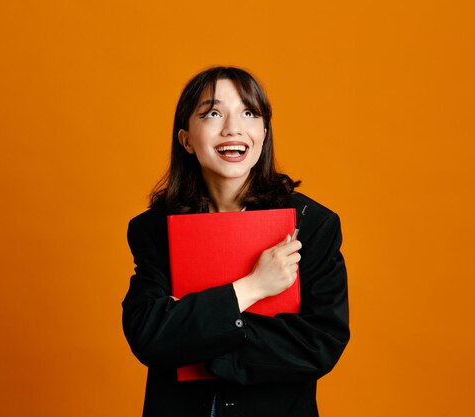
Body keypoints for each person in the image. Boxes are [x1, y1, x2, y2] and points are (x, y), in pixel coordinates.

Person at [122, 66, 350, 417]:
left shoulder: (313, 225)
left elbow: (318, 344)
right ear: (186, 139)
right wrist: (252, 287)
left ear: (263, 131)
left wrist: (193, 331)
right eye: (213, 113)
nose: (233, 127)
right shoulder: (153, 229)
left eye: (248, 113)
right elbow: (148, 336)